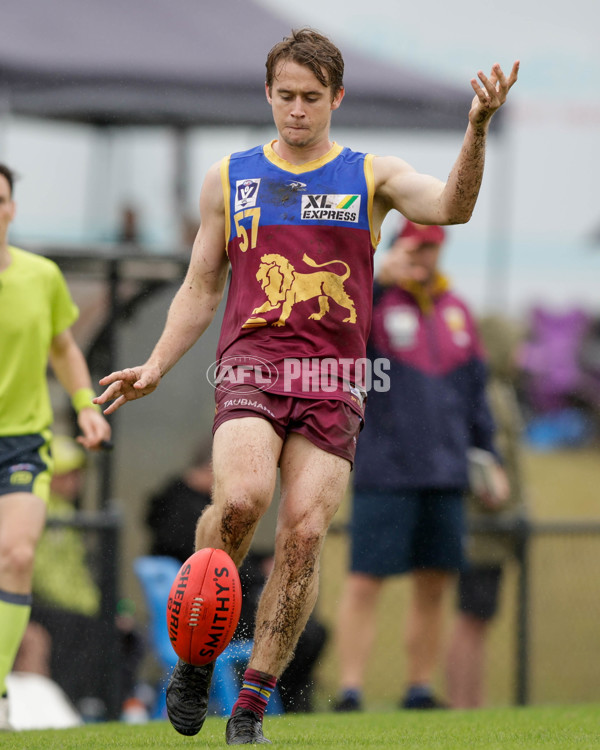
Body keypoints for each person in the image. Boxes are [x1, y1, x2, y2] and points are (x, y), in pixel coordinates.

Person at [94, 28, 518, 744]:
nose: (296, 110)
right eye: (285, 96)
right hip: (252, 366)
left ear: (337, 99)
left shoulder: (370, 175)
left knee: (305, 532)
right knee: (242, 500)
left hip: (333, 381)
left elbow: (452, 206)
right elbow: (202, 286)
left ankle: (254, 702)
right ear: (268, 94)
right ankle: (196, 656)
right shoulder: (230, 178)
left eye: (311, 98)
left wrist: (475, 130)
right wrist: (157, 365)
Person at [333, 220, 509, 712]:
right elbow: (340, 338)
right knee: (365, 580)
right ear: (395, 248)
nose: (425, 257)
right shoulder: (373, 301)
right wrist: (377, 280)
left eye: (433, 247)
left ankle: (419, 687)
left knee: (434, 582)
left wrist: (490, 457)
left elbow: (477, 396)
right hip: (384, 469)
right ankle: (350, 690)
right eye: (416, 247)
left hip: (446, 472)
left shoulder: (457, 312)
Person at [0, 163, 111, 731]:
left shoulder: (40, 276)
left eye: (0, 199)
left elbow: (64, 348)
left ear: (11, 208)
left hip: (22, 440)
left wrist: (87, 406)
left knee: (17, 556)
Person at [145, 443, 328, 713]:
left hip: (225, 598)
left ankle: (284, 701)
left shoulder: (191, 502)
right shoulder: (182, 510)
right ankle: (285, 704)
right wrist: (257, 574)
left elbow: (232, 556)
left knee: (311, 629)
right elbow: (211, 562)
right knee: (306, 632)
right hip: (206, 610)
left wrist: (263, 562)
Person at [445, 315, 528, 708]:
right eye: (515, 344)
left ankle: (471, 704)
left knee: (478, 620)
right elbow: (478, 455)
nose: (522, 354)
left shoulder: (501, 390)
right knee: (470, 620)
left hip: (495, 532)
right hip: (481, 529)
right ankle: (463, 705)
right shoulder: (487, 394)